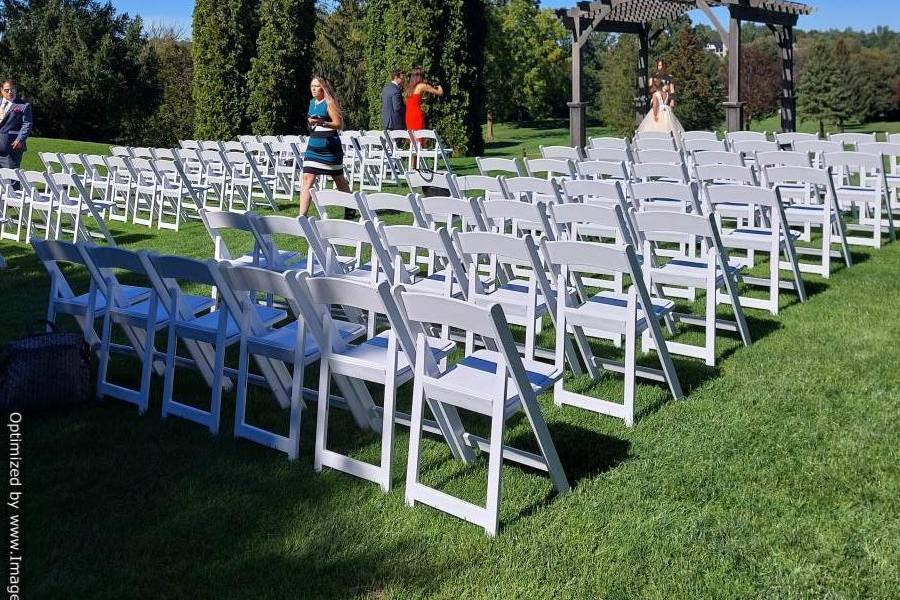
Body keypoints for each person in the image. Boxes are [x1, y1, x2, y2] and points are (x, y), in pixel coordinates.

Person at [299, 76, 355, 218]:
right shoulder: (312, 103)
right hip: (313, 146)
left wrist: (322, 123)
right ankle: (302, 216)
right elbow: (311, 122)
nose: (313, 88)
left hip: (329, 148)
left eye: (317, 86)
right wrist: (311, 123)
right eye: (312, 86)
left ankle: (351, 207)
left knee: (338, 179)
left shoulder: (329, 103)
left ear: (323, 88)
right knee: (307, 178)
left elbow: (338, 124)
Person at [637, 78, 685, 143]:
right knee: (668, 127)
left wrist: (655, 115)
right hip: (666, 113)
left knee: (654, 128)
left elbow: (655, 106)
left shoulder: (656, 94)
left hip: (658, 111)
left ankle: (655, 143)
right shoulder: (667, 94)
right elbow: (669, 104)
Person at [0, 79, 32, 170]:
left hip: (12, 148)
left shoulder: (24, 105)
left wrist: (20, 139)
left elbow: (27, 124)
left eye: (12, 90)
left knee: (12, 179)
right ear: (1, 90)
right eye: (7, 90)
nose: (10, 92)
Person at [404, 66, 443, 132]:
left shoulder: (409, 88)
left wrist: (422, 99)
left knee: (413, 139)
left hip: (408, 116)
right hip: (416, 115)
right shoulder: (421, 85)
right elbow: (440, 93)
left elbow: (413, 101)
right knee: (420, 137)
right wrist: (439, 85)